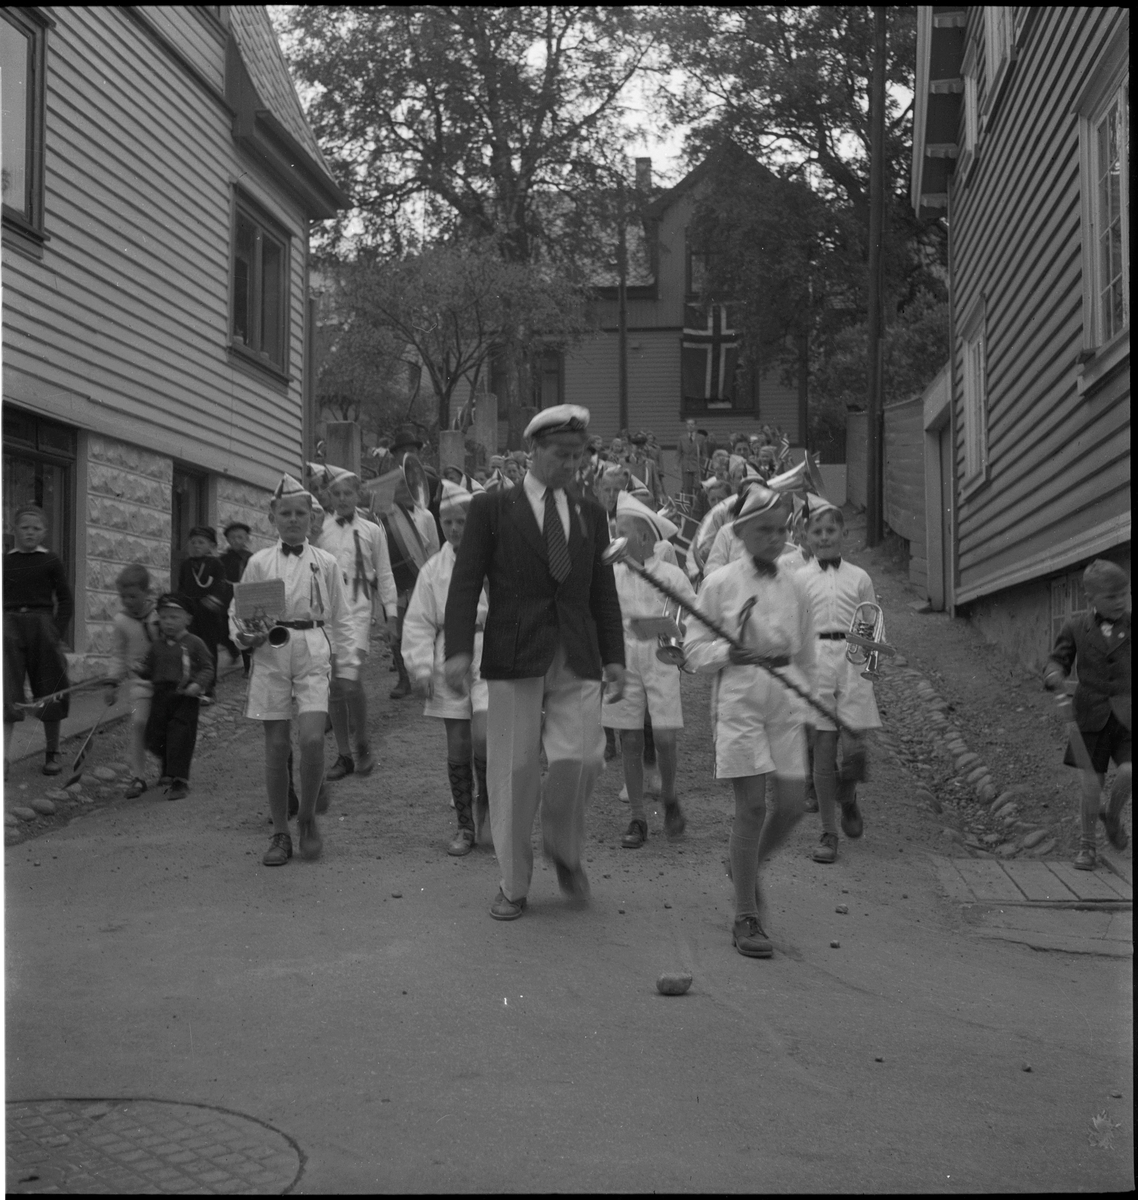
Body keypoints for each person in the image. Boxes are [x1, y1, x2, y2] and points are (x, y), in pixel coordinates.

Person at [445, 404, 626, 920]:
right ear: (533, 452)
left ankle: (563, 846)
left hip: (576, 651)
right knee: (515, 770)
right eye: (562, 455)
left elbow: (601, 591)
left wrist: (614, 656)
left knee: (584, 757)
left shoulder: (591, 511)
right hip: (514, 650)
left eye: (578, 456)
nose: (572, 465)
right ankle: (513, 883)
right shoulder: (492, 509)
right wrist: (458, 648)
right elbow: (465, 581)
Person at [684, 485, 816, 959]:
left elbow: (806, 653)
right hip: (739, 693)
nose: (776, 538)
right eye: (765, 530)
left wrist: (817, 704)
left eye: (782, 529)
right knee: (752, 808)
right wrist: (726, 650)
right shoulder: (719, 583)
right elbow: (693, 650)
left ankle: (744, 864)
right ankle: (746, 914)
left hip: (783, 693)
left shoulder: (796, 584)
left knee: (794, 804)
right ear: (740, 532)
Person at [231, 474, 354, 866]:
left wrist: (347, 664)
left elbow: (341, 618)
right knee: (278, 745)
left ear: (313, 519)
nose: (293, 520)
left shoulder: (327, 563)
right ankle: (281, 832)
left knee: (314, 740)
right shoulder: (259, 563)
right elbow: (240, 615)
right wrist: (244, 637)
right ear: (272, 517)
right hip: (271, 654)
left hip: (313, 649)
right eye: (285, 513)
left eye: (301, 513)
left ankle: (307, 821)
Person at [403, 479, 490, 855]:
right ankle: (465, 823)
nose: (454, 529)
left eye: (462, 521)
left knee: (484, 736)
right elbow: (419, 622)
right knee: (457, 740)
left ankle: (487, 810)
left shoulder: (494, 560)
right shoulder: (433, 570)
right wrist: (421, 668)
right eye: (447, 522)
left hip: (490, 651)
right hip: (447, 651)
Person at [607, 492, 694, 848]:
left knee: (663, 737)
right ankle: (638, 817)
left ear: (643, 537)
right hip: (625, 654)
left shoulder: (671, 575)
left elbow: (692, 615)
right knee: (629, 734)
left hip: (660, 655)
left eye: (621, 530)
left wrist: (679, 631)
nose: (614, 536)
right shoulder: (612, 574)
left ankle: (670, 796)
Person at [797, 496, 880, 862]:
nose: (825, 537)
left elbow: (873, 623)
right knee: (823, 750)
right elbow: (794, 628)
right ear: (807, 537)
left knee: (856, 749)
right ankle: (829, 831)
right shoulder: (798, 579)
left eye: (831, 530)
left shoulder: (859, 577)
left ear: (844, 534)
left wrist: (870, 671)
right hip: (816, 662)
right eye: (818, 531)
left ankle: (848, 795)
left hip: (852, 659)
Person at [1044, 559, 1131, 870]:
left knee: (1129, 772)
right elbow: (1057, 661)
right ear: (1090, 599)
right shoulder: (1076, 627)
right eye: (1111, 596)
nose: (1120, 601)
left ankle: (1113, 815)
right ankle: (1087, 845)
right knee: (1091, 784)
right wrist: (1053, 675)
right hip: (1090, 716)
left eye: (1124, 594)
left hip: (1127, 717)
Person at [317, 465, 399, 779]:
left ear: (358, 494)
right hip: (327, 613)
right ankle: (344, 754)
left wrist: (391, 615)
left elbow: (385, 573)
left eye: (347, 493)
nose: (341, 499)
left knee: (349, 681)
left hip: (358, 610)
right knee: (334, 686)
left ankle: (362, 740)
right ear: (327, 497)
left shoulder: (372, 530)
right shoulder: (321, 529)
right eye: (335, 494)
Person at [3, 506, 75, 775]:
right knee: (7, 691)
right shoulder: (5, 561)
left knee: (50, 686)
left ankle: (52, 751)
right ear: (14, 530)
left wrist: (55, 630)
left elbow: (65, 600)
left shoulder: (50, 560)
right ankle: (4, 759)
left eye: (36, 528)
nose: (30, 532)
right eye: (24, 527)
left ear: (44, 532)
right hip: (9, 624)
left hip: (42, 624)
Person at [136, 593, 214, 800]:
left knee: (180, 737)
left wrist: (197, 684)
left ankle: (180, 781)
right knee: (155, 737)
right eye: (164, 618)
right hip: (161, 696)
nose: (168, 622)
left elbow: (207, 667)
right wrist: (140, 669)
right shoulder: (157, 646)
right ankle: (167, 767)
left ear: (187, 619)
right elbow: (149, 669)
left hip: (184, 697)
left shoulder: (194, 643)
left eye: (174, 617)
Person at [110, 563, 161, 798]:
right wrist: (113, 682)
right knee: (139, 723)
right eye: (123, 597)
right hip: (139, 683)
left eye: (133, 596)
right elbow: (118, 654)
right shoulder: (121, 621)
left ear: (147, 593)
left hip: (164, 682)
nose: (128, 601)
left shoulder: (159, 616)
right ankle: (138, 776)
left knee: (162, 728)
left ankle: (168, 770)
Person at [176, 526, 231, 698]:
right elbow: (181, 588)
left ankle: (209, 687)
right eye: (193, 542)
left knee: (208, 650)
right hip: (190, 614)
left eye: (201, 542)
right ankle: (192, 683)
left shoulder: (216, 564)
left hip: (209, 615)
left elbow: (221, 585)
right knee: (190, 648)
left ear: (211, 545)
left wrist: (215, 599)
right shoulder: (186, 565)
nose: (196, 546)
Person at [220, 522, 254, 674]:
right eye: (232, 538)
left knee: (245, 628)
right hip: (227, 595)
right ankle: (233, 651)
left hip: (245, 595)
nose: (236, 541)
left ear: (246, 539)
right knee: (224, 626)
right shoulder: (222, 559)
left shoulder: (252, 558)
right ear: (227, 540)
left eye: (240, 537)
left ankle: (247, 667)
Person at [676, 419, 702, 500]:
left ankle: (697, 505)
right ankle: (689, 507)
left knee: (698, 488)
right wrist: (676, 464)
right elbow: (679, 452)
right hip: (686, 466)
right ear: (686, 426)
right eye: (688, 424)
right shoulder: (682, 438)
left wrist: (704, 465)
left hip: (697, 466)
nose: (690, 426)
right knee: (687, 489)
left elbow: (704, 453)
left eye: (692, 424)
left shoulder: (701, 438)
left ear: (695, 425)